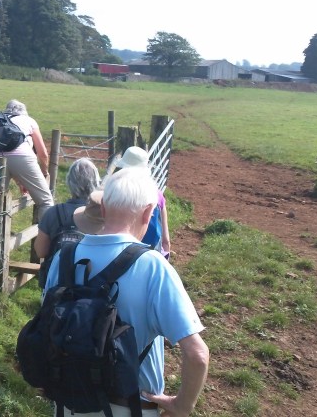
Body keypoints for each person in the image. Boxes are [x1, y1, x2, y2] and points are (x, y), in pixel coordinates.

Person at [42, 168, 209, 417]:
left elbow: (47, 325)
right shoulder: (153, 267)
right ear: (148, 213)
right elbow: (197, 355)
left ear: (105, 209)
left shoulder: (63, 256)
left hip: (70, 400)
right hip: (130, 406)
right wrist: (181, 407)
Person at [0, 99, 54, 218]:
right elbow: (42, 153)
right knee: (46, 201)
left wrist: (20, 181)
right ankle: (45, 235)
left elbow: (7, 157)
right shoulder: (29, 121)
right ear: (24, 111)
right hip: (23, 158)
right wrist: (44, 173)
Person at [34, 158, 101, 260]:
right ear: (96, 182)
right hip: (88, 274)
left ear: (69, 181)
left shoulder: (53, 213)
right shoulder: (101, 215)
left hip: (58, 275)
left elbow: (40, 252)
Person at [114, 146, 171, 257]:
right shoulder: (157, 195)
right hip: (151, 252)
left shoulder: (114, 193)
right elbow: (166, 239)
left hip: (121, 253)